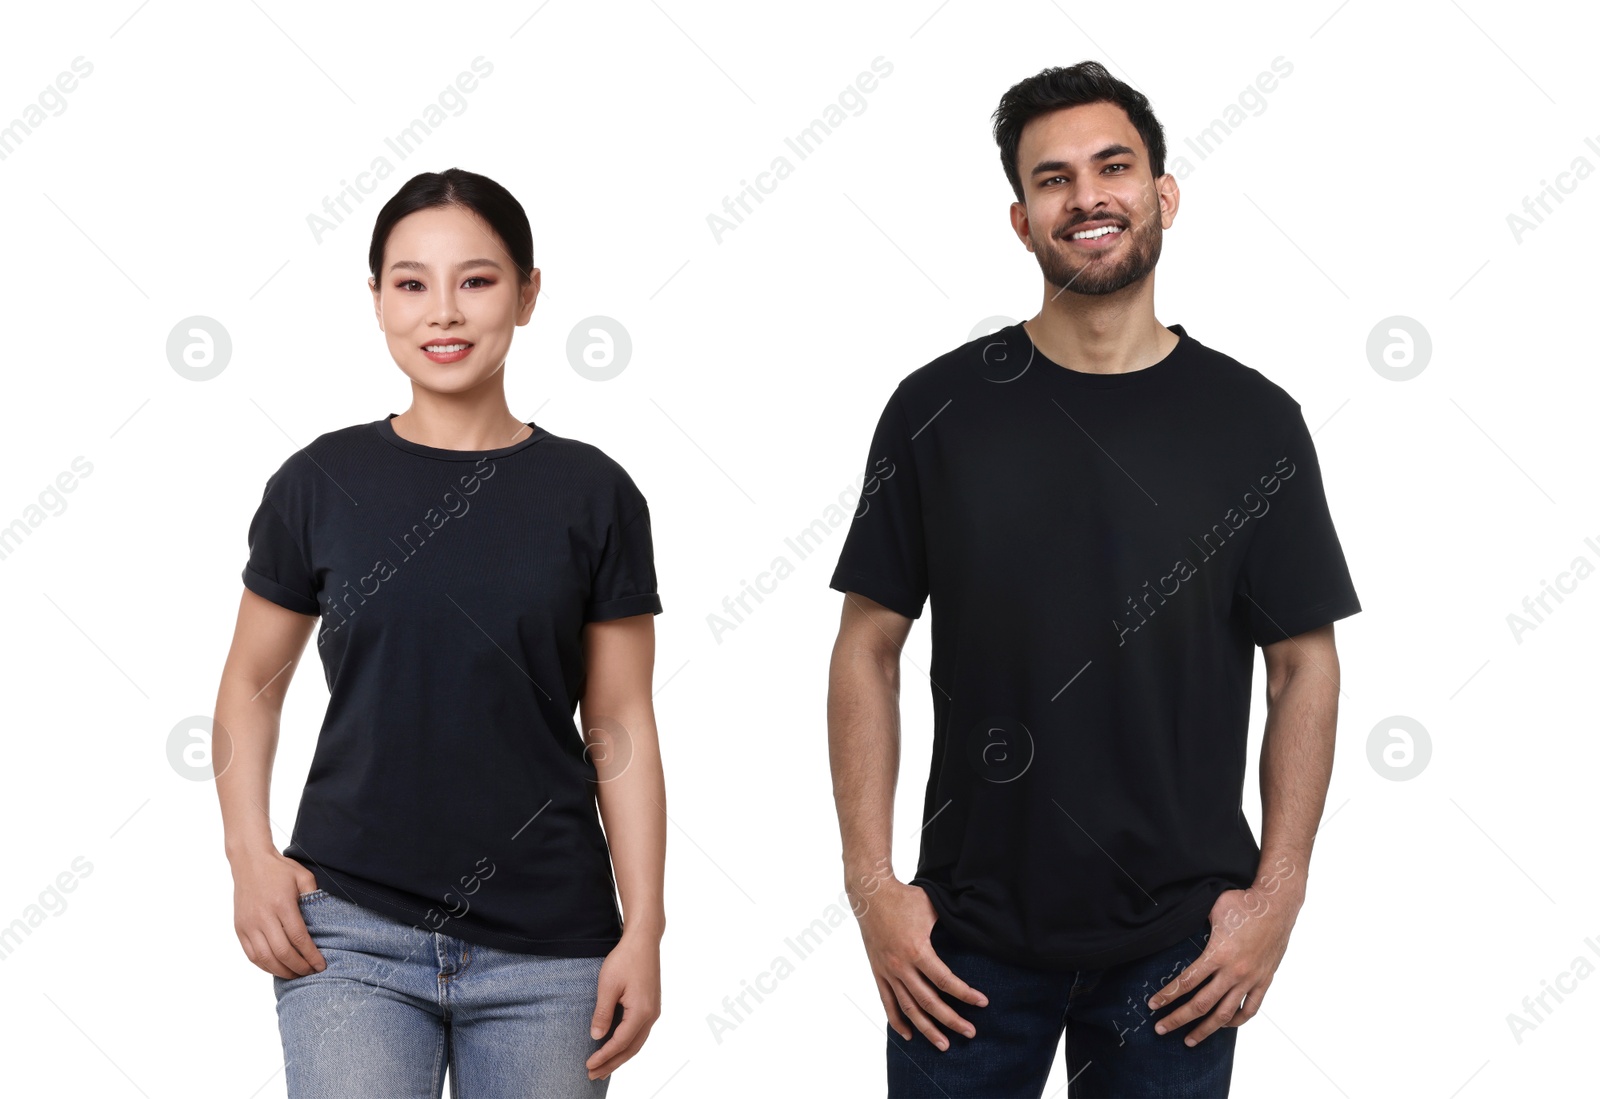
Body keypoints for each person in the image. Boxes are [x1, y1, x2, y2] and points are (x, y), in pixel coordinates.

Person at [826, 62, 1361, 1098]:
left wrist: (1278, 893)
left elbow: (1303, 664)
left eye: (1112, 167)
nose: (1087, 197)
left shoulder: (1255, 423)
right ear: (1021, 220)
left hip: (1181, 946)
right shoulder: (937, 410)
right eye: (1053, 179)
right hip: (962, 943)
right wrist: (872, 890)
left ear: (1164, 194)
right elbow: (867, 646)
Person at [211, 168, 665, 1097]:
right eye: (411, 282)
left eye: (479, 279)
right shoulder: (319, 481)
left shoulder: (594, 493)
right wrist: (248, 856)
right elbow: (250, 685)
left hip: (551, 950)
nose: (443, 311)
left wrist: (645, 927)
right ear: (376, 297)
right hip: (347, 932)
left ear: (529, 294)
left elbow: (620, 725)